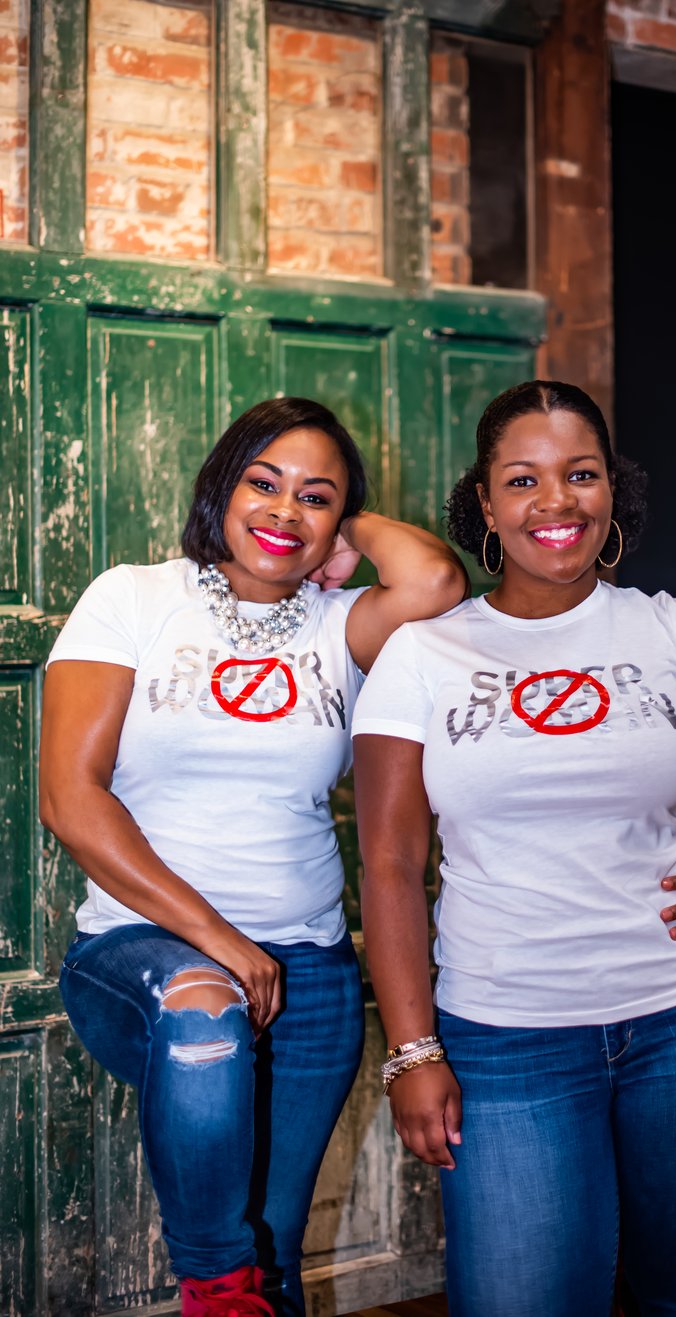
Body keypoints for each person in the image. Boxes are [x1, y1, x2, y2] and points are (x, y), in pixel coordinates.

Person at [351, 380, 676, 1317]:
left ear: (612, 492)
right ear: (485, 503)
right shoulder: (424, 655)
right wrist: (412, 1050)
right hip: (506, 1040)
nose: (557, 502)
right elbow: (390, 863)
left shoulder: (673, 627)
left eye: (580, 474)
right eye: (524, 479)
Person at [39, 397, 467, 1317]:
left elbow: (434, 580)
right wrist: (220, 941)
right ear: (219, 486)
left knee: (276, 1248)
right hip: (144, 950)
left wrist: (339, 528)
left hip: (308, 973)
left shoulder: (338, 623)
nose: (283, 511)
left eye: (315, 496)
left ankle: (244, 1289)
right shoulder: (132, 597)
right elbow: (71, 799)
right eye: (262, 484)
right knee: (203, 1021)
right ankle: (212, 1287)